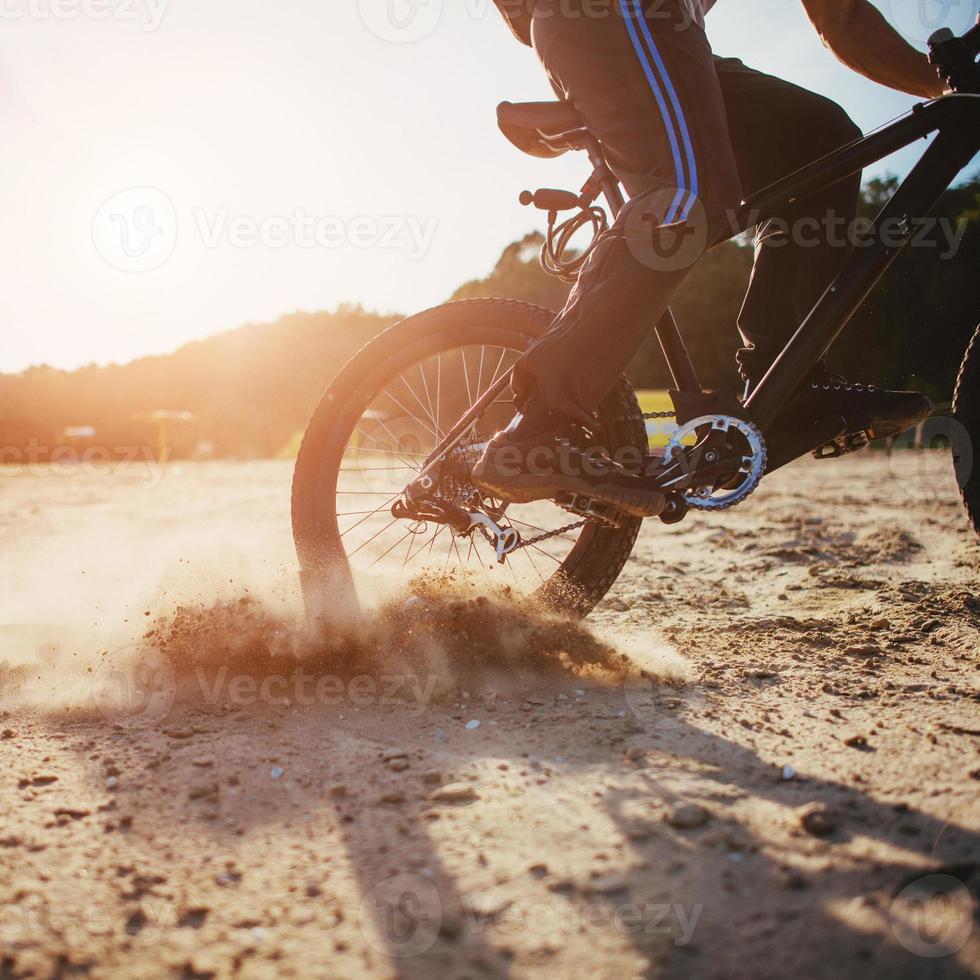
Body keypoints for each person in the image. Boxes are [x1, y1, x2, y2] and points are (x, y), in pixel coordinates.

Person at [474, 0, 943, 513]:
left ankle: (786, 381)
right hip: (617, 16)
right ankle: (537, 428)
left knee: (818, 139)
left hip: (661, 31)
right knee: (685, 201)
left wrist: (947, 88)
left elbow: (842, 15)